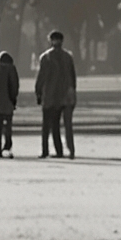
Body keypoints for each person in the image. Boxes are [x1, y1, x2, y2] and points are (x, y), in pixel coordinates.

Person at [33, 30, 77, 158]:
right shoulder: (68, 57)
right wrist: (72, 91)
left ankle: (45, 150)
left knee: (47, 125)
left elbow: (41, 77)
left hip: (50, 95)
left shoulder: (46, 57)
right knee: (60, 124)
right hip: (65, 95)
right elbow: (73, 77)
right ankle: (62, 150)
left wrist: (38, 92)